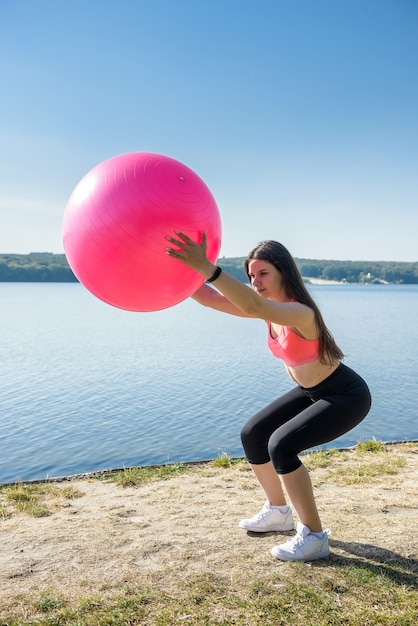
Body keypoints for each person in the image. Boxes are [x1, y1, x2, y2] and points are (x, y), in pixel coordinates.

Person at [165, 232, 371, 562]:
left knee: (282, 445)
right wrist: (176, 268)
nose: (255, 281)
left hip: (346, 394)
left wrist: (206, 266)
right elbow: (208, 298)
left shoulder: (300, 312)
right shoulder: (268, 312)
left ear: (283, 272)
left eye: (263, 273)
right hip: (313, 391)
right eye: (251, 275)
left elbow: (252, 302)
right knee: (254, 434)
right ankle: (278, 512)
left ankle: (314, 537)